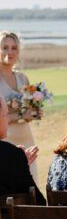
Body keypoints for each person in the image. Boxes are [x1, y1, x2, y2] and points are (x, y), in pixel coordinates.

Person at [0, 32, 39, 181]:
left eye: (14, 48)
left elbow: (30, 110)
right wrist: (21, 115)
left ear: (19, 51)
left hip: (26, 139)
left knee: (31, 184)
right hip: (5, 142)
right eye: (5, 47)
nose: (9, 52)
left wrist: (35, 112)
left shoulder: (23, 78)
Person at [0, 95, 45, 204]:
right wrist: (17, 163)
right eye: (5, 115)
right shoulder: (11, 155)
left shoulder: (13, 156)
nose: (8, 119)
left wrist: (21, 165)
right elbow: (38, 202)